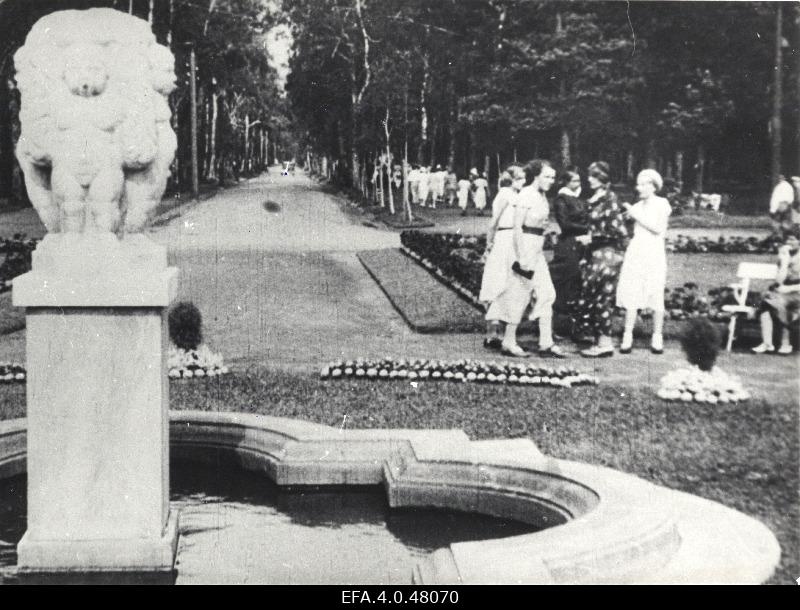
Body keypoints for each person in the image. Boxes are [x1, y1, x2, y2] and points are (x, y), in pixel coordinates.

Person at [486, 159, 565, 358]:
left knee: (547, 293)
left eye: (553, 177)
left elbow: (539, 223)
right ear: (536, 175)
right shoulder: (526, 195)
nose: (551, 180)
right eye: (547, 176)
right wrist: (521, 257)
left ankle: (546, 343)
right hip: (524, 249)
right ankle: (508, 342)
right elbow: (518, 227)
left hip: (536, 249)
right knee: (519, 294)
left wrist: (548, 231)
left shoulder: (541, 195)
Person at [576, 161, 630, 358]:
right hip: (595, 254)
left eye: (593, 176)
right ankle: (601, 341)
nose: (589, 179)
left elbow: (619, 231)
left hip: (607, 254)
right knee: (595, 297)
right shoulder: (596, 199)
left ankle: (604, 343)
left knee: (602, 298)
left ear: (602, 179)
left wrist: (593, 238)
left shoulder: (610, 199)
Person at [616, 169, 672, 354]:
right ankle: (627, 336)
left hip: (654, 253)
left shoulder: (662, 204)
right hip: (636, 252)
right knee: (632, 292)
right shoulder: (637, 206)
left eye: (642, 184)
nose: (638, 188)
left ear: (653, 186)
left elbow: (657, 228)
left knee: (655, 293)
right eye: (638, 184)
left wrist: (633, 213)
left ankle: (657, 337)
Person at [479, 165, 526, 349]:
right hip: (504, 239)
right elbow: (494, 221)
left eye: (524, 178)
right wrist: (488, 244)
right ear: (511, 179)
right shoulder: (504, 194)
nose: (522, 182)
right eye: (519, 178)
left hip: (516, 239)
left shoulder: (519, 196)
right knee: (497, 281)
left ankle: (505, 331)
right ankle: (492, 333)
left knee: (512, 283)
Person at [549, 167, 590, 326]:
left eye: (579, 180)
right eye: (574, 180)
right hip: (569, 242)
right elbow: (565, 224)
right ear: (566, 182)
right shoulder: (561, 199)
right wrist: (588, 228)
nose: (577, 183)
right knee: (566, 279)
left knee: (578, 281)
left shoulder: (579, 198)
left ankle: (575, 322)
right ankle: (560, 321)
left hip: (583, 242)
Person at [752, 231, 800, 355]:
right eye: (787, 240)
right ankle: (767, 343)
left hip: (797, 293)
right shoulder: (784, 256)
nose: (789, 243)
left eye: (792, 239)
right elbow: (779, 280)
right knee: (766, 305)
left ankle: (786, 343)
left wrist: (790, 289)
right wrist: (784, 262)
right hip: (783, 292)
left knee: (781, 304)